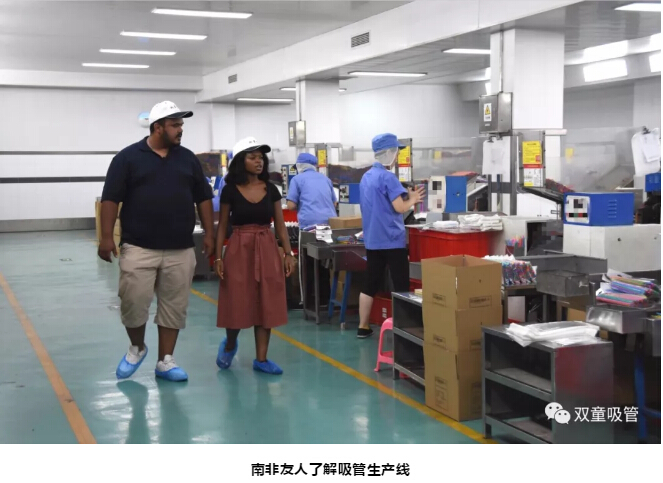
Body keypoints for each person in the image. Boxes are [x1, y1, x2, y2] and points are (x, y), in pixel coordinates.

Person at [99, 100, 214, 381]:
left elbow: (203, 198)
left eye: (181, 124)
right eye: (175, 125)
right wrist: (106, 237)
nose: (180, 129)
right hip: (139, 246)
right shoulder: (127, 158)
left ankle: (166, 361)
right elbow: (111, 199)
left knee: (174, 306)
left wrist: (210, 233)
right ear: (158, 127)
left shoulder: (188, 159)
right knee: (133, 302)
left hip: (180, 247)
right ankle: (137, 347)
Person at [214, 137, 296, 375]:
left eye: (261, 158)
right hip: (239, 247)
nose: (259, 162)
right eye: (253, 157)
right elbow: (223, 226)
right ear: (241, 161)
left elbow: (280, 225)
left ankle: (261, 359)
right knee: (237, 300)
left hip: (266, 246)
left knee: (265, 302)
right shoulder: (230, 190)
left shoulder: (271, 190)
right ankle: (230, 343)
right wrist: (218, 257)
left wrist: (288, 253)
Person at [356, 133, 424, 338]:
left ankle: (363, 326)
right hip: (392, 240)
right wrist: (413, 199)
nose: (396, 157)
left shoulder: (366, 177)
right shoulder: (388, 177)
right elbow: (400, 207)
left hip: (373, 240)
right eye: (396, 152)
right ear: (389, 153)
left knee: (370, 284)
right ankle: (404, 328)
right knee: (401, 285)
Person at [285, 152, 338, 306]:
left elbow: (291, 205)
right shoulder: (326, 179)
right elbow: (334, 203)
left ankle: (307, 300)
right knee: (324, 262)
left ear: (299, 165)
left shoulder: (297, 179)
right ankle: (325, 299)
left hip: (308, 227)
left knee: (307, 264)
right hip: (327, 226)